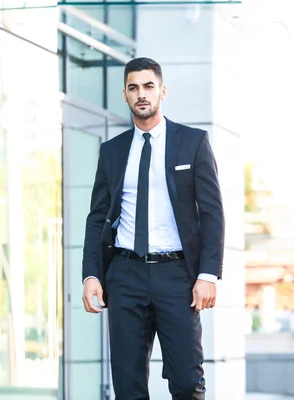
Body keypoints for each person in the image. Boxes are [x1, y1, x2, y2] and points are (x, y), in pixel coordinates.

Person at [82, 57, 225, 400]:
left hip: (177, 276)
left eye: (148, 86)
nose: (141, 94)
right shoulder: (112, 151)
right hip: (125, 276)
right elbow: (96, 217)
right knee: (128, 388)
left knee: (188, 382)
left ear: (162, 91)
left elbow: (212, 213)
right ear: (125, 95)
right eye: (134, 88)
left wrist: (208, 274)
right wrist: (91, 275)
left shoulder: (192, 142)